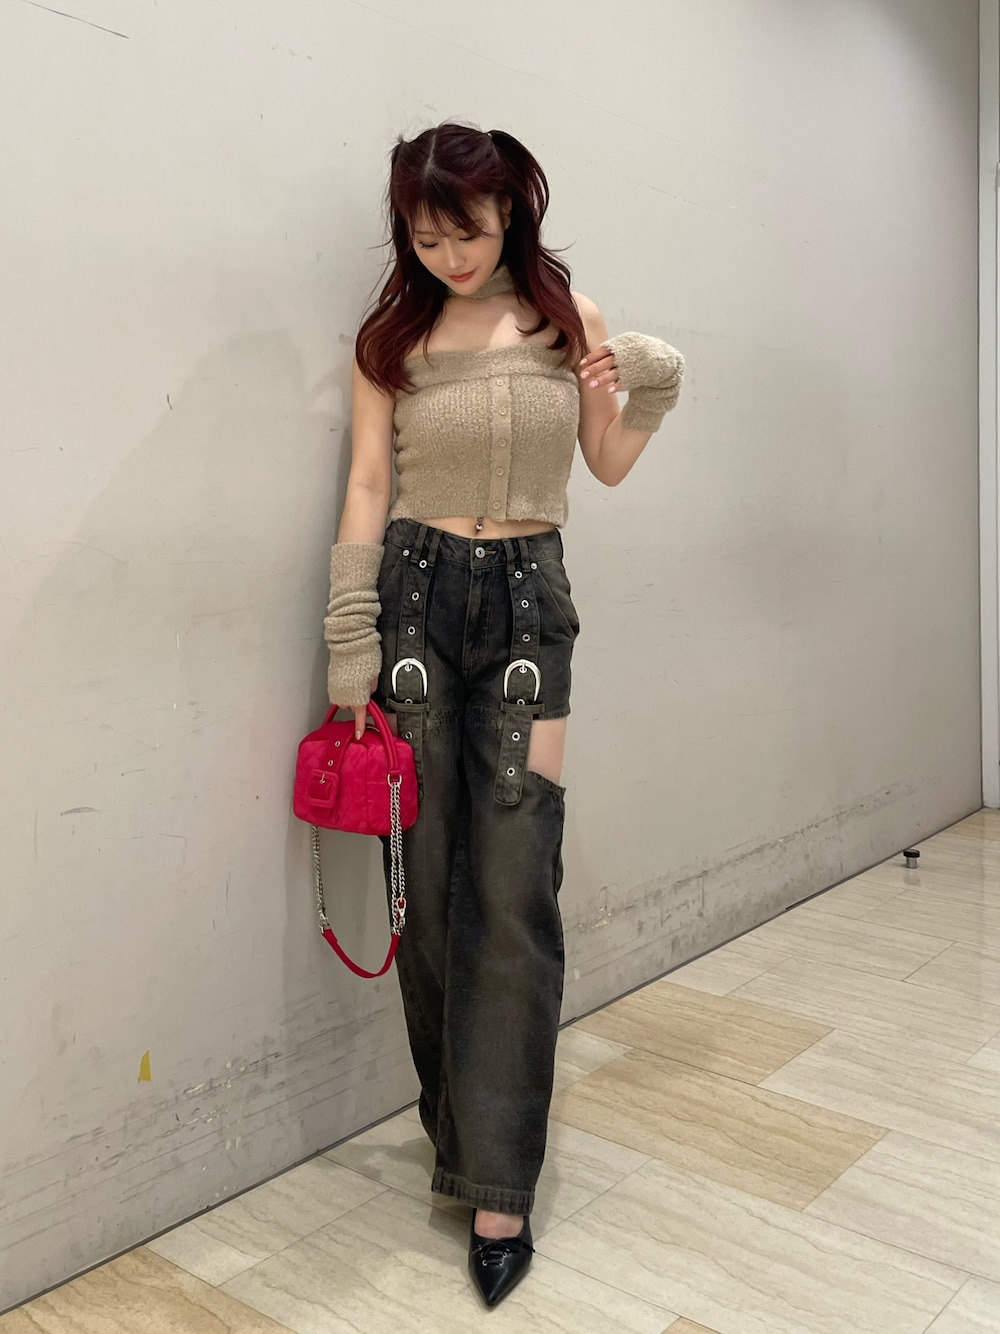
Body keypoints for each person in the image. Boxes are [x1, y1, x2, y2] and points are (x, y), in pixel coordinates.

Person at [323, 121, 684, 1308]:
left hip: (530, 608)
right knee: (428, 888)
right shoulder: (390, 340)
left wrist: (651, 393)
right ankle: (459, 1135)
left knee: (516, 888)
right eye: (426, 236)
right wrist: (348, 635)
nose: (450, 255)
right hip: (414, 608)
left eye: (466, 231)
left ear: (510, 212)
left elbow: (607, 462)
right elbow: (368, 483)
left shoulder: (565, 319)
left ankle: (500, 1186)